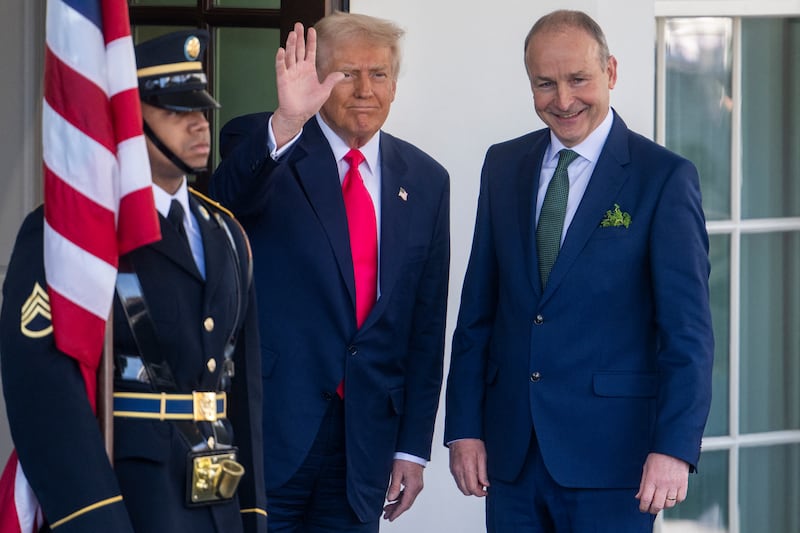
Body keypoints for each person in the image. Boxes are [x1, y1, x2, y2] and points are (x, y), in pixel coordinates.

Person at [444, 9, 713, 532]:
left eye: (578, 79)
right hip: (512, 457)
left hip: (617, 464)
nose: (563, 100)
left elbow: (688, 334)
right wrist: (464, 428)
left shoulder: (664, 179)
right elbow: (477, 311)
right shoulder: (503, 166)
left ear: (610, 72)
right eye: (545, 83)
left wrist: (674, 448)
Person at [0, 30, 266, 532]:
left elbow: (244, 393)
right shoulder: (71, 232)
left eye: (202, 109)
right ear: (127, 122)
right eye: (176, 111)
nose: (200, 124)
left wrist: (252, 513)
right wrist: (93, 519)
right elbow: (42, 391)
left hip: (218, 500)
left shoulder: (227, 233)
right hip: (131, 502)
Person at [209, 12, 450, 533]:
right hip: (271, 430)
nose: (365, 89)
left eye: (379, 74)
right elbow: (221, 205)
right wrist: (287, 123)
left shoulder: (427, 180)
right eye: (347, 73)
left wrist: (413, 447)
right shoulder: (267, 141)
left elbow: (425, 327)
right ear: (318, 79)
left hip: (364, 446)